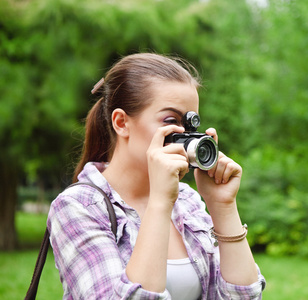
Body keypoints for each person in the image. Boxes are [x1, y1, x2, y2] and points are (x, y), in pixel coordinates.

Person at [47, 53, 266, 299]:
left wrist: (223, 206)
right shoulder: (78, 207)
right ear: (121, 123)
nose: (186, 136)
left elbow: (244, 297)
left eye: (190, 124)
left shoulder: (187, 200)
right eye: (171, 121)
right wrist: (160, 203)